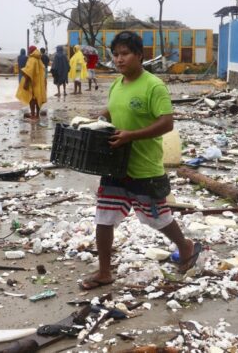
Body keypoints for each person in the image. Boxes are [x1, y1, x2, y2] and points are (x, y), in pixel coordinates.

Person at [79, 31, 199, 290]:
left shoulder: (153, 85)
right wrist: (96, 120)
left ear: (139, 56)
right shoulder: (116, 84)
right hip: (115, 165)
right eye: (116, 54)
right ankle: (104, 272)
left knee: (157, 218)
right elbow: (111, 110)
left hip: (144, 167)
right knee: (104, 217)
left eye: (125, 54)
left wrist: (131, 135)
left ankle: (185, 246)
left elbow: (167, 123)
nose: (119, 60)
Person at [16, 46, 47, 120]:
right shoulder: (39, 59)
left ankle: (33, 115)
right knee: (38, 98)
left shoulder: (32, 59)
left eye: (29, 51)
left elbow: (28, 72)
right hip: (39, 82)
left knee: (32, 99)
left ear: (31, 51)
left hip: (32, 82)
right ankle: (37, 115)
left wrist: (26, 82)